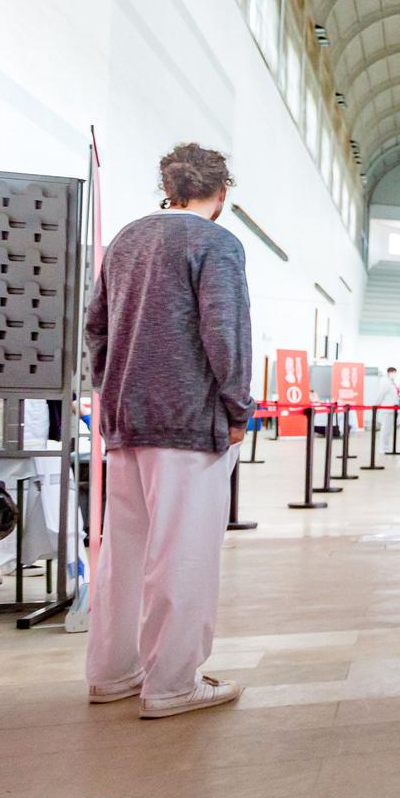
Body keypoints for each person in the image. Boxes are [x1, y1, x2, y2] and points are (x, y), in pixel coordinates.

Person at [81, 143, 252, 718]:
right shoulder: (216, 243)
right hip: (186, 419)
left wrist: (113, 391)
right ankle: (173, 683)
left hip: (126, 419)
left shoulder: (127, 240)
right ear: (221, 194)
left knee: (122, 551)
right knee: (183, 551)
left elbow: (96, 329)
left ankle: (113, 671)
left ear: (169, 186)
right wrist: (236, 409)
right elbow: (224, 332)